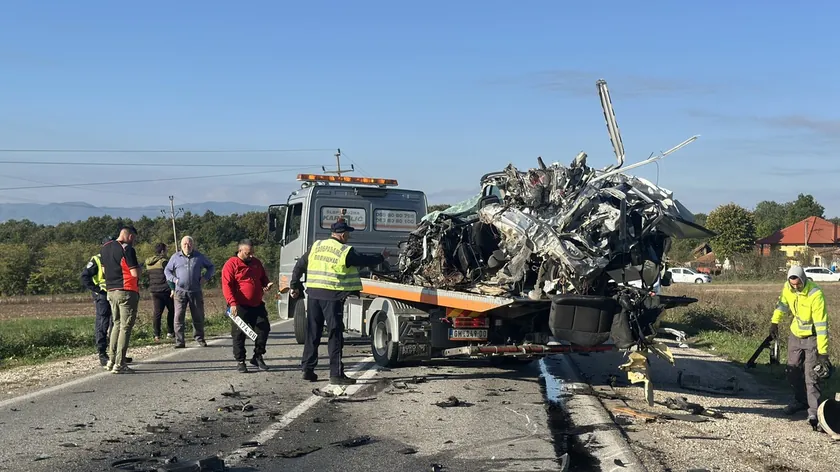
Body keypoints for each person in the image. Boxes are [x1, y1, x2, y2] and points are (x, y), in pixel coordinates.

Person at [290, 220, 387, 384]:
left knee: (313, 333)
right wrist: (381, 257)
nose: (349, 236)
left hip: (313, 295)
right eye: (348, 233)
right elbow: (363, 260)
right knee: (335, 335)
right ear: (342, 234)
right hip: (332, 296)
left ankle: (307, 369)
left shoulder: (317, 246)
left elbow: (299, 265)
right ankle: (336, 374)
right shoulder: (344, 251)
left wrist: (295, 284)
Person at [770, 265, 831, 428]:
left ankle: (814, 412)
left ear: (803, 279)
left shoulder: (815, 294)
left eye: (798, 284)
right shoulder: (788, 288)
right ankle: (800, 401)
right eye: (793, 284)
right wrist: (774, 322)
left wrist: (823, 352)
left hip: (812, 338)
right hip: (795, 334)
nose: (796, 287)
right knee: (792, 371)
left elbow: (821, 324)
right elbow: (782, 305)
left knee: (811, 376)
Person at [221, 239, 273, 373]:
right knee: (239, 334)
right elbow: (226, 286)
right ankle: (240, 361)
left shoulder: (256, 263)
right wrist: (232, 303)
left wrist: (266, 284)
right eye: (248, 253)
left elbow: (263, 277)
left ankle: (258, 356)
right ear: (240, 251)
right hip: (239, 305)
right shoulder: (231, 264)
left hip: (256, 304)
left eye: (252, 253)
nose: (251, 256)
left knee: (263, 328)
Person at [100, 226, 141, 374]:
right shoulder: (127, 249)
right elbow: (134, 273)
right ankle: (120, 363)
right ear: (130, 236)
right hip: (126, 290)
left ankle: (111, 360)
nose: (134, 241)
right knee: (125, 327)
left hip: (111, 291)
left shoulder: (104, 248)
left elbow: (104, 271)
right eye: (134, 238)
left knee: (116, 325)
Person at [164, 235, 215, 348]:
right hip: (180, 292)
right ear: (181, 245)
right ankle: (180, 341)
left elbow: (211, 267)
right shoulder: (175, 257)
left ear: (193, 245)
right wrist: (174, 280)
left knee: (198, 315)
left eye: (189, 243)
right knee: (178, 317)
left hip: (195, 291)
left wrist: (205, 278)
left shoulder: (199, 256)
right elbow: (167, 270)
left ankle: (199, 338)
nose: (187, 246)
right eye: (185, 244)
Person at [80, 237, 114, 366]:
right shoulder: (97, 259)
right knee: (103, 324)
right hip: (103, 296)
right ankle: (102, 354)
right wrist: (97, 290)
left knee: (116, 324)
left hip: (115, 293)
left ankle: (116, 353)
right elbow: (84, 277)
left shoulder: (115, 258)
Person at [145, 242, 175, 342]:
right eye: (166, 250)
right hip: (165, 290)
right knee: (172, 310)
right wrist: (172, 289)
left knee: (157, 313)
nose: (167, 252)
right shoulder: (164, 262)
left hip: (154, 290)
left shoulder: (149, 263)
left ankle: (156, 335)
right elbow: (169, 276)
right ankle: (170, 332)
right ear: (162, 251)